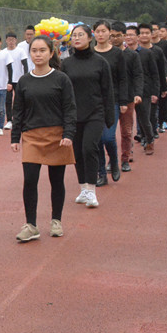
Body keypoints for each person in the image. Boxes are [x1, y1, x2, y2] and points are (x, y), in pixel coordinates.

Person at [11, 36, 76, 242]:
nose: (37, 54)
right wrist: (15, 137)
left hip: (57, 136)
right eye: (34, 51)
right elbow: (18, 111)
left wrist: (68, 134)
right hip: (31, 136)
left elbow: (69, 109)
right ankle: (31, 225)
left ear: (51, 53)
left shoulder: (61, 79)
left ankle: (56, 220)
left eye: (42, 50)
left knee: (56, 180)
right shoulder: (24, 81)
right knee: (30, 180)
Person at [61, 24, 114, 209]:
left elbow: (107, 90)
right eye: (74, 35)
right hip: (74, 115)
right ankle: (83, 188)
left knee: (89, 148)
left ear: (90, 38)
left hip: (95, 113)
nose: (76, 38)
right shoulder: (66, 63)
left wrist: (109, 116)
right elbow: (63, 92)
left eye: (81, 35)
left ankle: (92, 190)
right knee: (76, 152)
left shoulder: (100, 62)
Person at [92, 20, 128, 186]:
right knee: (97, 139)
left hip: (112, 101)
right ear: (93, 33)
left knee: (108, 137)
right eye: (97, 31)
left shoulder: (117, 54)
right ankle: (101, 173)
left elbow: (122, 79)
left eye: (103, 31)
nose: (100, 34)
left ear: (109, 33)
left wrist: (123, 101)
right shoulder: (90, 53)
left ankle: (113, 161)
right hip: (93, 102)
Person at [112, 22, 143, 173]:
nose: (115, 38)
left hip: (128, 98)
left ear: (124, 36)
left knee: (126, 131)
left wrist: (138, 93)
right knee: (108, 134)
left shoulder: (131, 55)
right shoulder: (105, 55)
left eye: (118, 35)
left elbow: (138, 75)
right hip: (110, 98)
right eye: (112, 35)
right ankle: (111, 160)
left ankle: (125, 159)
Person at [128, 24, 158, 156]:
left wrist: (155, 92)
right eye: (127, 35)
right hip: (127, 91)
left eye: (132, 35)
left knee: (144, 118)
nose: (129, 37)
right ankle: (128, 148)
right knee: (127, 122)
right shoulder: (122, 54)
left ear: (137, 37)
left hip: (144, 90)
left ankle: (150, 139)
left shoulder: (147, 53)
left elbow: (155, 74)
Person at [4, 32, 29, 130]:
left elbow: (25, 65)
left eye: (13, 39)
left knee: (19, 100)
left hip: (19, 80)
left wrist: (25, 77)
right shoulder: (4, 52)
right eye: (9, 39)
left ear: (16, 40)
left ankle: (19, 118)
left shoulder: (20, 51)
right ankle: (9, 120)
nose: (11, 41)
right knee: (8, 100)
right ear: (6, 41)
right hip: (8, 81)